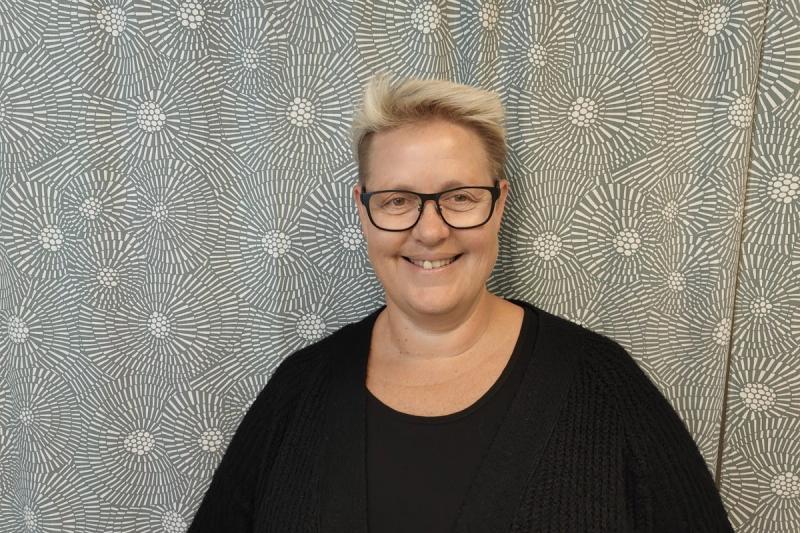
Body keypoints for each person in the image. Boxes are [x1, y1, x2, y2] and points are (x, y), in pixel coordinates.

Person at [188, 74, 734, 532]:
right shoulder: (298, 390)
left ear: (500, 203)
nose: (430, 231)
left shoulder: (604, 385)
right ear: (362, 209)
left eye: (460, 198)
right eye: (397, 200)